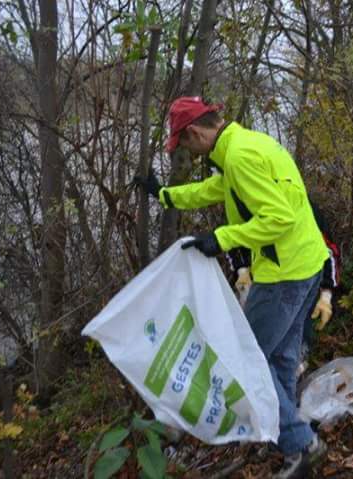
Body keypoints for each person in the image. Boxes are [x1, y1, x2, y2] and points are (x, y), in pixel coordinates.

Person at [135, 96, 328, 478]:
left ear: (193, 132)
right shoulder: (245, 145)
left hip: (283, 275)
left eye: (184, 145)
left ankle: (300, 444)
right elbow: (213, 190)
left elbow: (279, 218)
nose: (186, 152)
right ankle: (286, 429)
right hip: (308, 264)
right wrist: (165, 195)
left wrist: (220, 239)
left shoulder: (239, 158)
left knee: (244, 361)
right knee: (282, 359)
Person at [227, 201, 341, 376]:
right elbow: (231, 238)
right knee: (254, 345)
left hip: (302, 281)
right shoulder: (244, 200)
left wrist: (326, 294)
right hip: (262, 282)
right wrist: (242, 269)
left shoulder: (304, 208)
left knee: (292, 344)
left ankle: (293, 367)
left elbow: (328, 251)